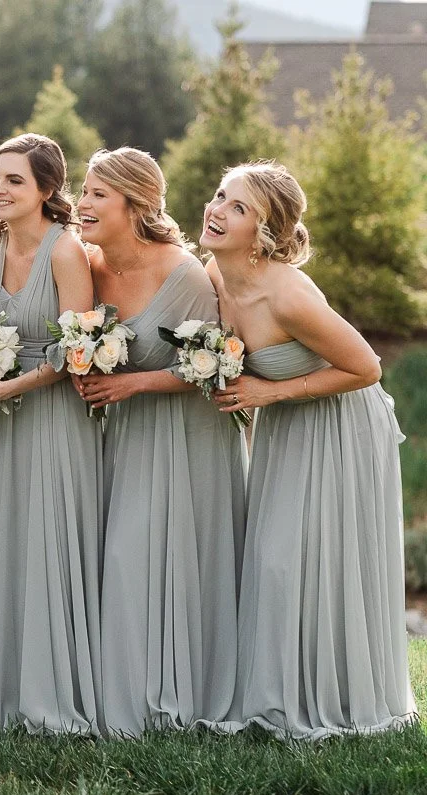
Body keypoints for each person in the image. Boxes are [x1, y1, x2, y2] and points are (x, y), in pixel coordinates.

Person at [204, 162, 418, 739]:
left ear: (265, 233)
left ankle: (334, 698)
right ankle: (277, 693)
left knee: (306, 558)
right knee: (277, 560)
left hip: (341, 423)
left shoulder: (287, 293)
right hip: (287, 424)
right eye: (221, 196)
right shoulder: (217, 274)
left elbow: (367, 368)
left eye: (238, 208)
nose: (218, 210)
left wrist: (269, 390)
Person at [74, 147, 245, 736]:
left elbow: (209, 367)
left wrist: (132, 382)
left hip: (184, 434)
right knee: (118, 557)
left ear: (137, 204)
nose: (83, 202)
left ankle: (164, 701)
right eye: (84, 190)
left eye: (98, 194)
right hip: (122, 432)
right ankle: (120, 689)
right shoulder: (88, 265)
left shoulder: (185, 275)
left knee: (143, 558)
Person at [0, 134, 102, 733]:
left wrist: (8, 389)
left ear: (47, 190)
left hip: (55, 416)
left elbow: (80, 352)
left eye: (14, 180)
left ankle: (56, 696)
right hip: (10, 422)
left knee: (51, 540)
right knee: (13, 541)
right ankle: (13, 693)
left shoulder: (65, 251)